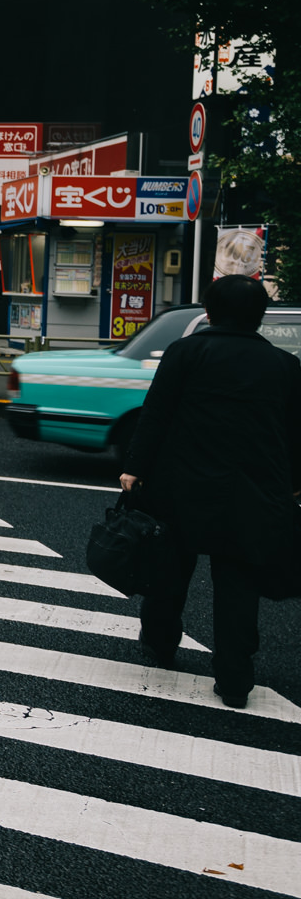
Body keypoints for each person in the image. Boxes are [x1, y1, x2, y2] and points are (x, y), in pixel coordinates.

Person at [121, 275, 301, 708]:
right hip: (252, 493)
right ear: (260, 317)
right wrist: (292, 485)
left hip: (181, 486)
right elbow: (295, 434)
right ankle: (235, 679)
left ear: (209, 311)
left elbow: (157, 414)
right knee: (238, 584)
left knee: (169, 573)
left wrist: (134, 468)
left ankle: (160, 647)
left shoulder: (187, 352)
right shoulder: (284, 365)